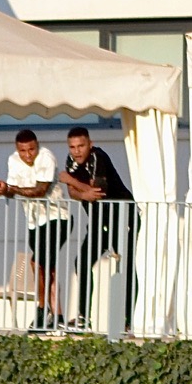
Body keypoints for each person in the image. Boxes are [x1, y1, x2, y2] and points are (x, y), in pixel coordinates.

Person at [59, 125, 135, 328]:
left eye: (81, 146)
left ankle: (129, 320)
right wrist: (81, 191)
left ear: (90, 144)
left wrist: (71, 180)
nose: (77, 151)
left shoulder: (98, 157)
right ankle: (84, 317)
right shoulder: (71, 160)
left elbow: (97, 192)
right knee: (82, 262)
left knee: (126, 267)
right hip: (98, 221)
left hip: (122, 217)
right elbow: (73, 194)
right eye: (72, 147)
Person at [0, 128, 68, 328]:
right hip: (34, 221)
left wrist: (11, 189)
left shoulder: (46, 157)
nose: (28, 155)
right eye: (23, 151)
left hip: (56, 217)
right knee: (46, 267)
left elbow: (40, 191)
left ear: (37, 146)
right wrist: (2, 189)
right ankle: (57, 315)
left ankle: (42, 310)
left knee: (38, 263)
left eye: (31, 150)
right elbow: (11, 191)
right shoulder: (13, 160)